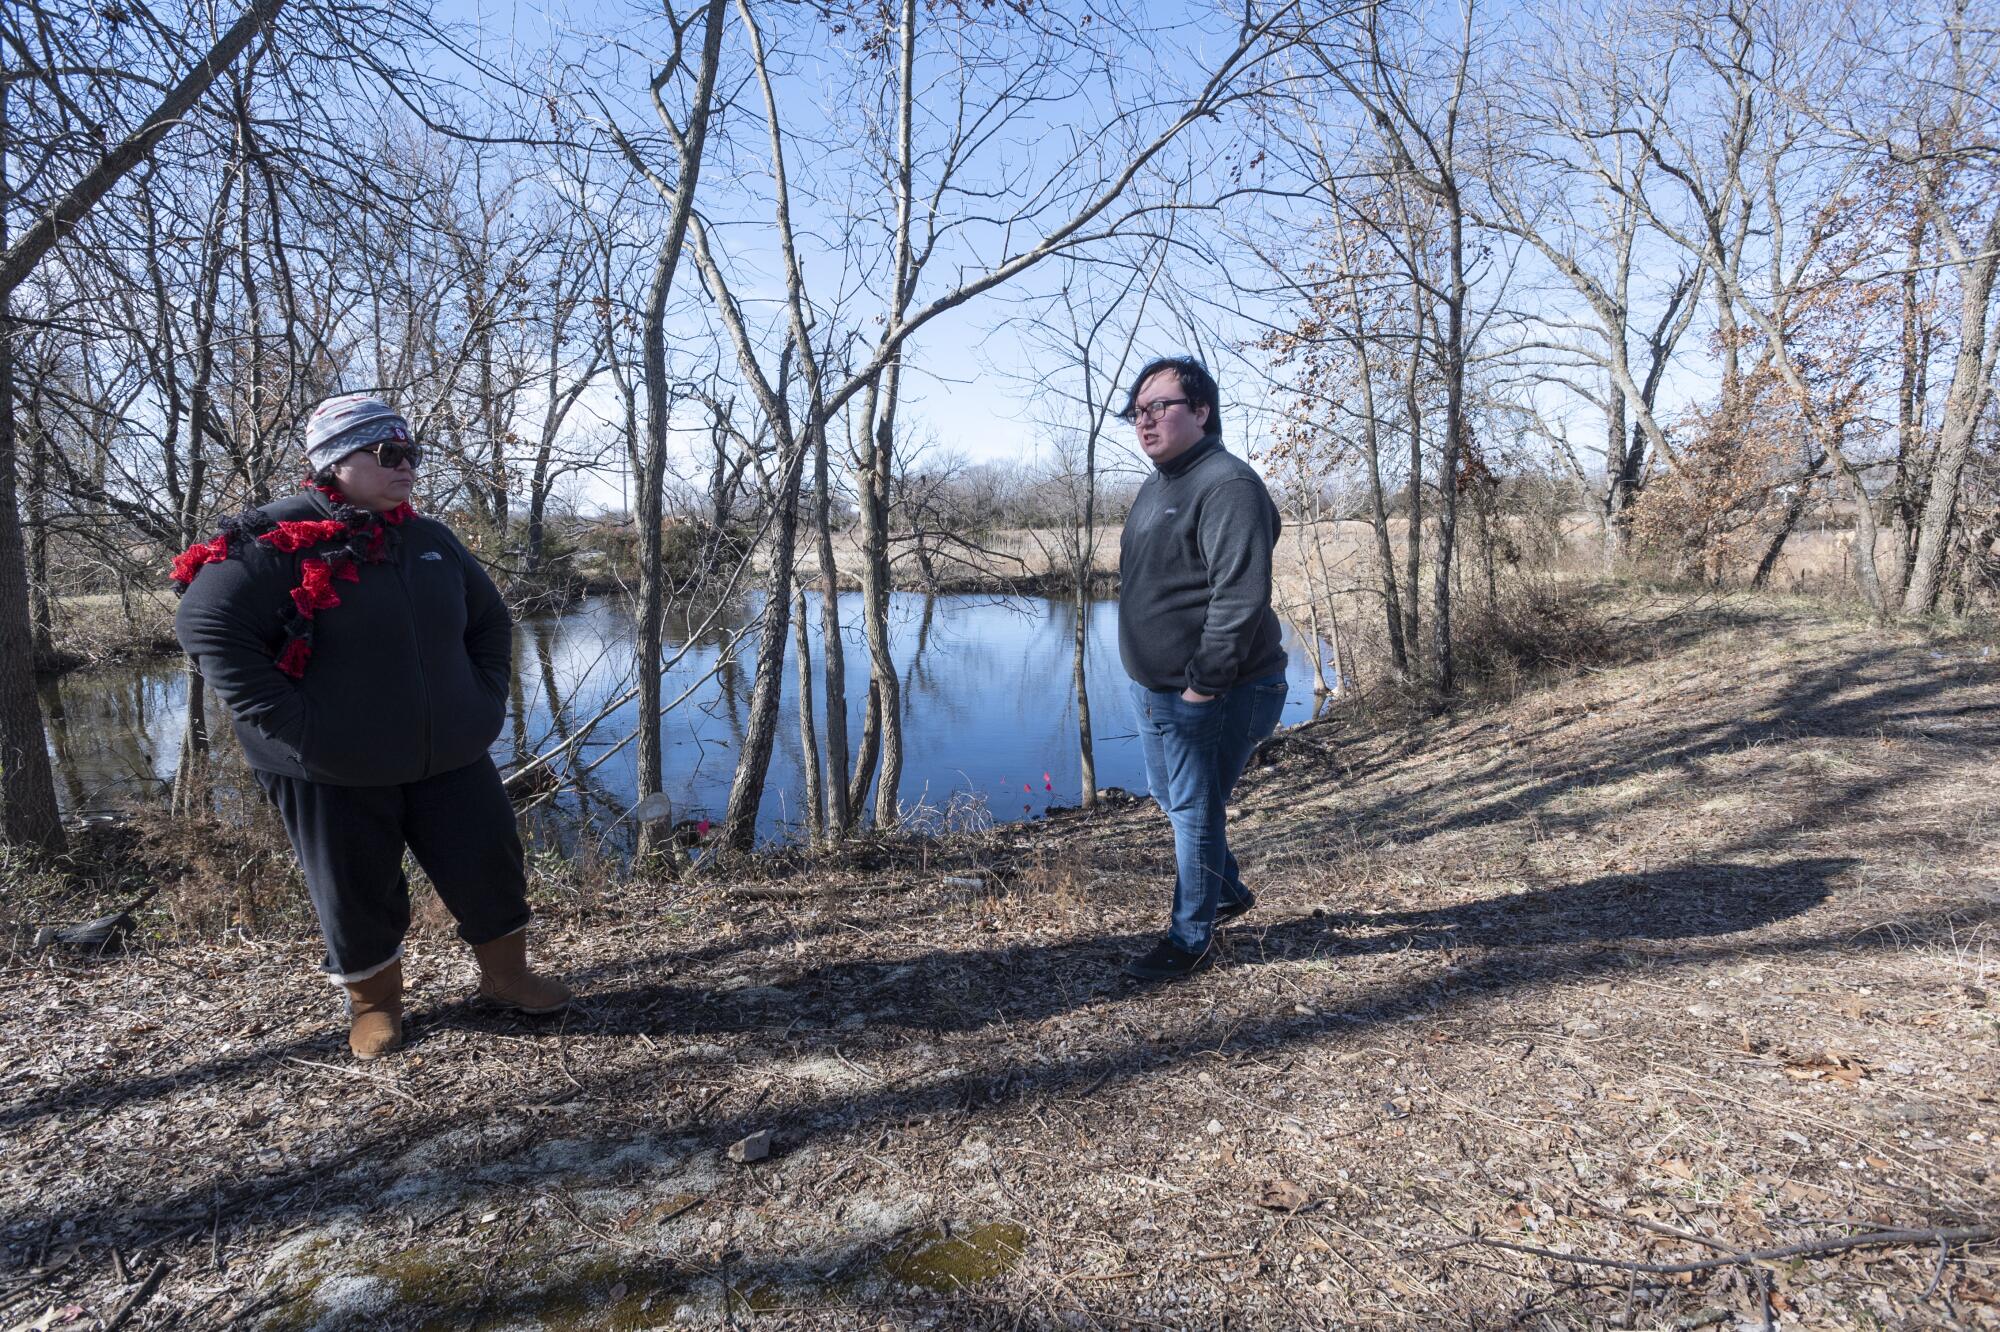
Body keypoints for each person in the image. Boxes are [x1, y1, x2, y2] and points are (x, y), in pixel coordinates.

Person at [172, 393, 573, 1059]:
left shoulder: (429, 538)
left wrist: (481, 699)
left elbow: (490, 621)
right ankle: (376, 1006)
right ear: (335, 461)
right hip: (330, 767)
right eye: (390, 454)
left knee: (489, 868)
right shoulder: (272, 541)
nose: (407, 466)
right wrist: (294, 723)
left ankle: (508, 978)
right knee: (356, 891)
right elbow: (206, 625)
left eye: (412, 452)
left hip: (451, 753)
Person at [1116, 357, 1289, 980]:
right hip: (1156, 688)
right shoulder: (1157, 483)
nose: (1146, 419)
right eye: (1138, 410)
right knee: (1175, 798)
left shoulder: (1227, 485)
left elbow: (1239, 598)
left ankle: (1190, 940)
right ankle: (1228, 891)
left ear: (1202, 412)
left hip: (1218, 690)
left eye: (1160, 406)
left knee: (1193, 809)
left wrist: (1200, 688)